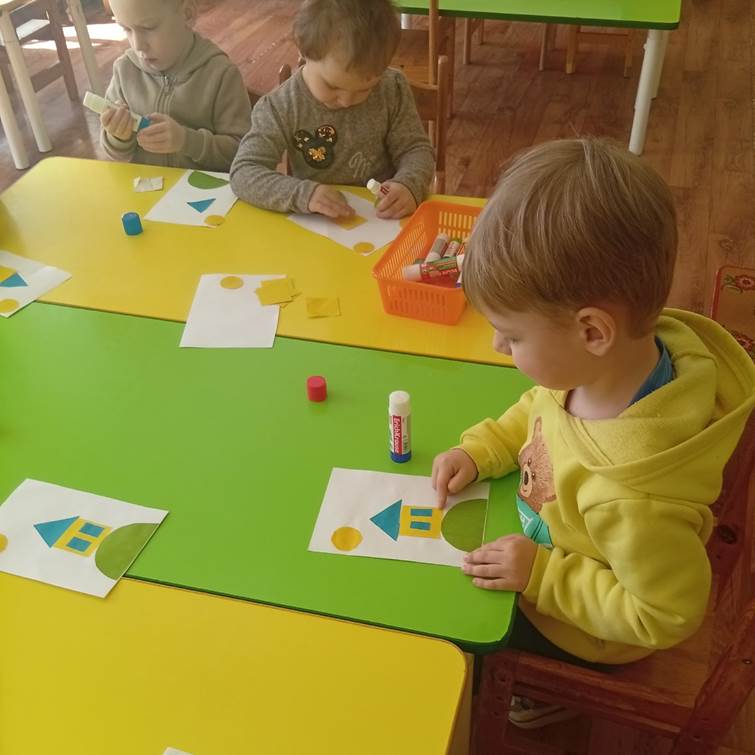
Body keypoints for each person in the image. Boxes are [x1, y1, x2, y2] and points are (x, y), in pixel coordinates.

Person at [431, 137, 755, 728]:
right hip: (547, 544)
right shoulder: (603, 368)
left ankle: (547, 693)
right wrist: (485, 449)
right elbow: (541, 410)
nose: (497, 346)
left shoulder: (634, 498)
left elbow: (664, 615)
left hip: (585, 628)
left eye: (512, 335)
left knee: (449, 631)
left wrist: (542, 575)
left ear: (593, 331)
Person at [230, 0, 434, 220]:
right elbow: (244, 172)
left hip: (384, 218)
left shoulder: (392, 88)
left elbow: (415, 149)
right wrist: (303, 194)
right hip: (317, 223)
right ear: (303, 48)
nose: (346, 101)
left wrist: (409, 184)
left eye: (365, 89)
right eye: (332, 86)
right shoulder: (281, 106)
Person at [101, 0, 251, 171]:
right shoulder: (124, 70)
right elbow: (115, 153)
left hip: (203, 187)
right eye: (126, 29)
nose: (138, 45)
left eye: (148, 28)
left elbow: (243, 154)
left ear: (187, 14)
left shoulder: (221, 74)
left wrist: (186, 141)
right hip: (145, 186)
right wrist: (118, 137)